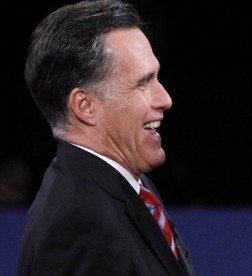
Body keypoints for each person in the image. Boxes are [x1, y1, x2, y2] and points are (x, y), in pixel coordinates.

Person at [17, 0, 195, 275]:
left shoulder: (122, 185)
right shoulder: (78, 224)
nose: (165, 99)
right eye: (143, 83)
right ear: (85, 106)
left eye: (157, 78)